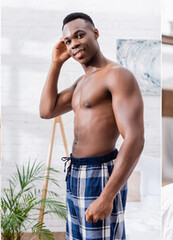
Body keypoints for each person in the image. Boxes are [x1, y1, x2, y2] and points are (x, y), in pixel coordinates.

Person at [39, 12, 145, 240]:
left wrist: (107, 196)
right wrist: (56, 63)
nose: (74, 44)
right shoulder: (81, 82)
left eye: (79, 35)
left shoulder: (118, 76)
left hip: (100, 175)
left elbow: (135, 138)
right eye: (68, 41)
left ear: (95, 33)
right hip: (75, 172)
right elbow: (46, 111)